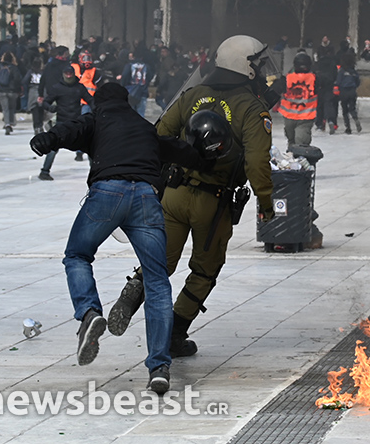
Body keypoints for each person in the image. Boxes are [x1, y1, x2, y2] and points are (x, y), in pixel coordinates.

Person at [28, 82, 205, 392]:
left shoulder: (96, 119)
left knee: (78, 255)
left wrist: (46, 140)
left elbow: (69, 130)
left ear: (98, 103)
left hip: (108, 193)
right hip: (147, 198)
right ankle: (160, 367)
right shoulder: (143, 126)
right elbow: (177, 150)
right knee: (157, 281)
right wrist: (205, 154)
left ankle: (89, 313)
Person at [108, 35, 276, 359]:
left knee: (160, 260)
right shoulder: (252, 109)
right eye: (256, 63)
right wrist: (266, 203)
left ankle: (132, 293)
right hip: (213, 204)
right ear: (245, 67)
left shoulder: (192, 95)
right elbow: (257, 162)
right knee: (203, 270)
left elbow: (158, 135)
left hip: (174, 193)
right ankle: (174, 336)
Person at [37, 65, 93, 180]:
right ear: (63, 74)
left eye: (70, 74)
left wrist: (96, 109)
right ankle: (44, 171)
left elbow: (90, 100)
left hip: (77, 122)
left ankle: (95, 172)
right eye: (66, 73)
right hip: (62, 122)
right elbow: (46, 102)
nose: (68, 75)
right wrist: (51, 108)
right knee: (53, 148)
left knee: (90, 147)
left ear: (73, 74)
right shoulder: (57, 88)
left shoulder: (79, 87)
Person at [280, 51, 318, 147]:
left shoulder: (287, 78)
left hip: (290, 116)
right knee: (301, 142)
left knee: (293, 141)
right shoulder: (315, 79)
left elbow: (275, 90)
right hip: (306, 116)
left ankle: (294, 156)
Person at [0, 52, 23, 135]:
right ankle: (10, 123)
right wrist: (17, 89)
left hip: (1, 91)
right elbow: (18, 79)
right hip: (12, 91)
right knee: (11, 108)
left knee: (5, 108)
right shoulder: (14, 68)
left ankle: (7, 124)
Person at [335, 51, 362, 135]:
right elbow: (358, 81)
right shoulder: (353, 71)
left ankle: (348, 128)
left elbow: (338, 81)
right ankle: (355, 118)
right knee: (352, 108)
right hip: (352, 91)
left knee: (345, 110)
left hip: (344, 92)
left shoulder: (342, 71)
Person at [120, 52, 149, 117]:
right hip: (143, 92)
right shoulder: (147, 66)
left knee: (130, 114)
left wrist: (123, 86)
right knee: (141, 114)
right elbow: (149, 77)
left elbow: (124, 76)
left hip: (131, 91)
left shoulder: (129, 65)